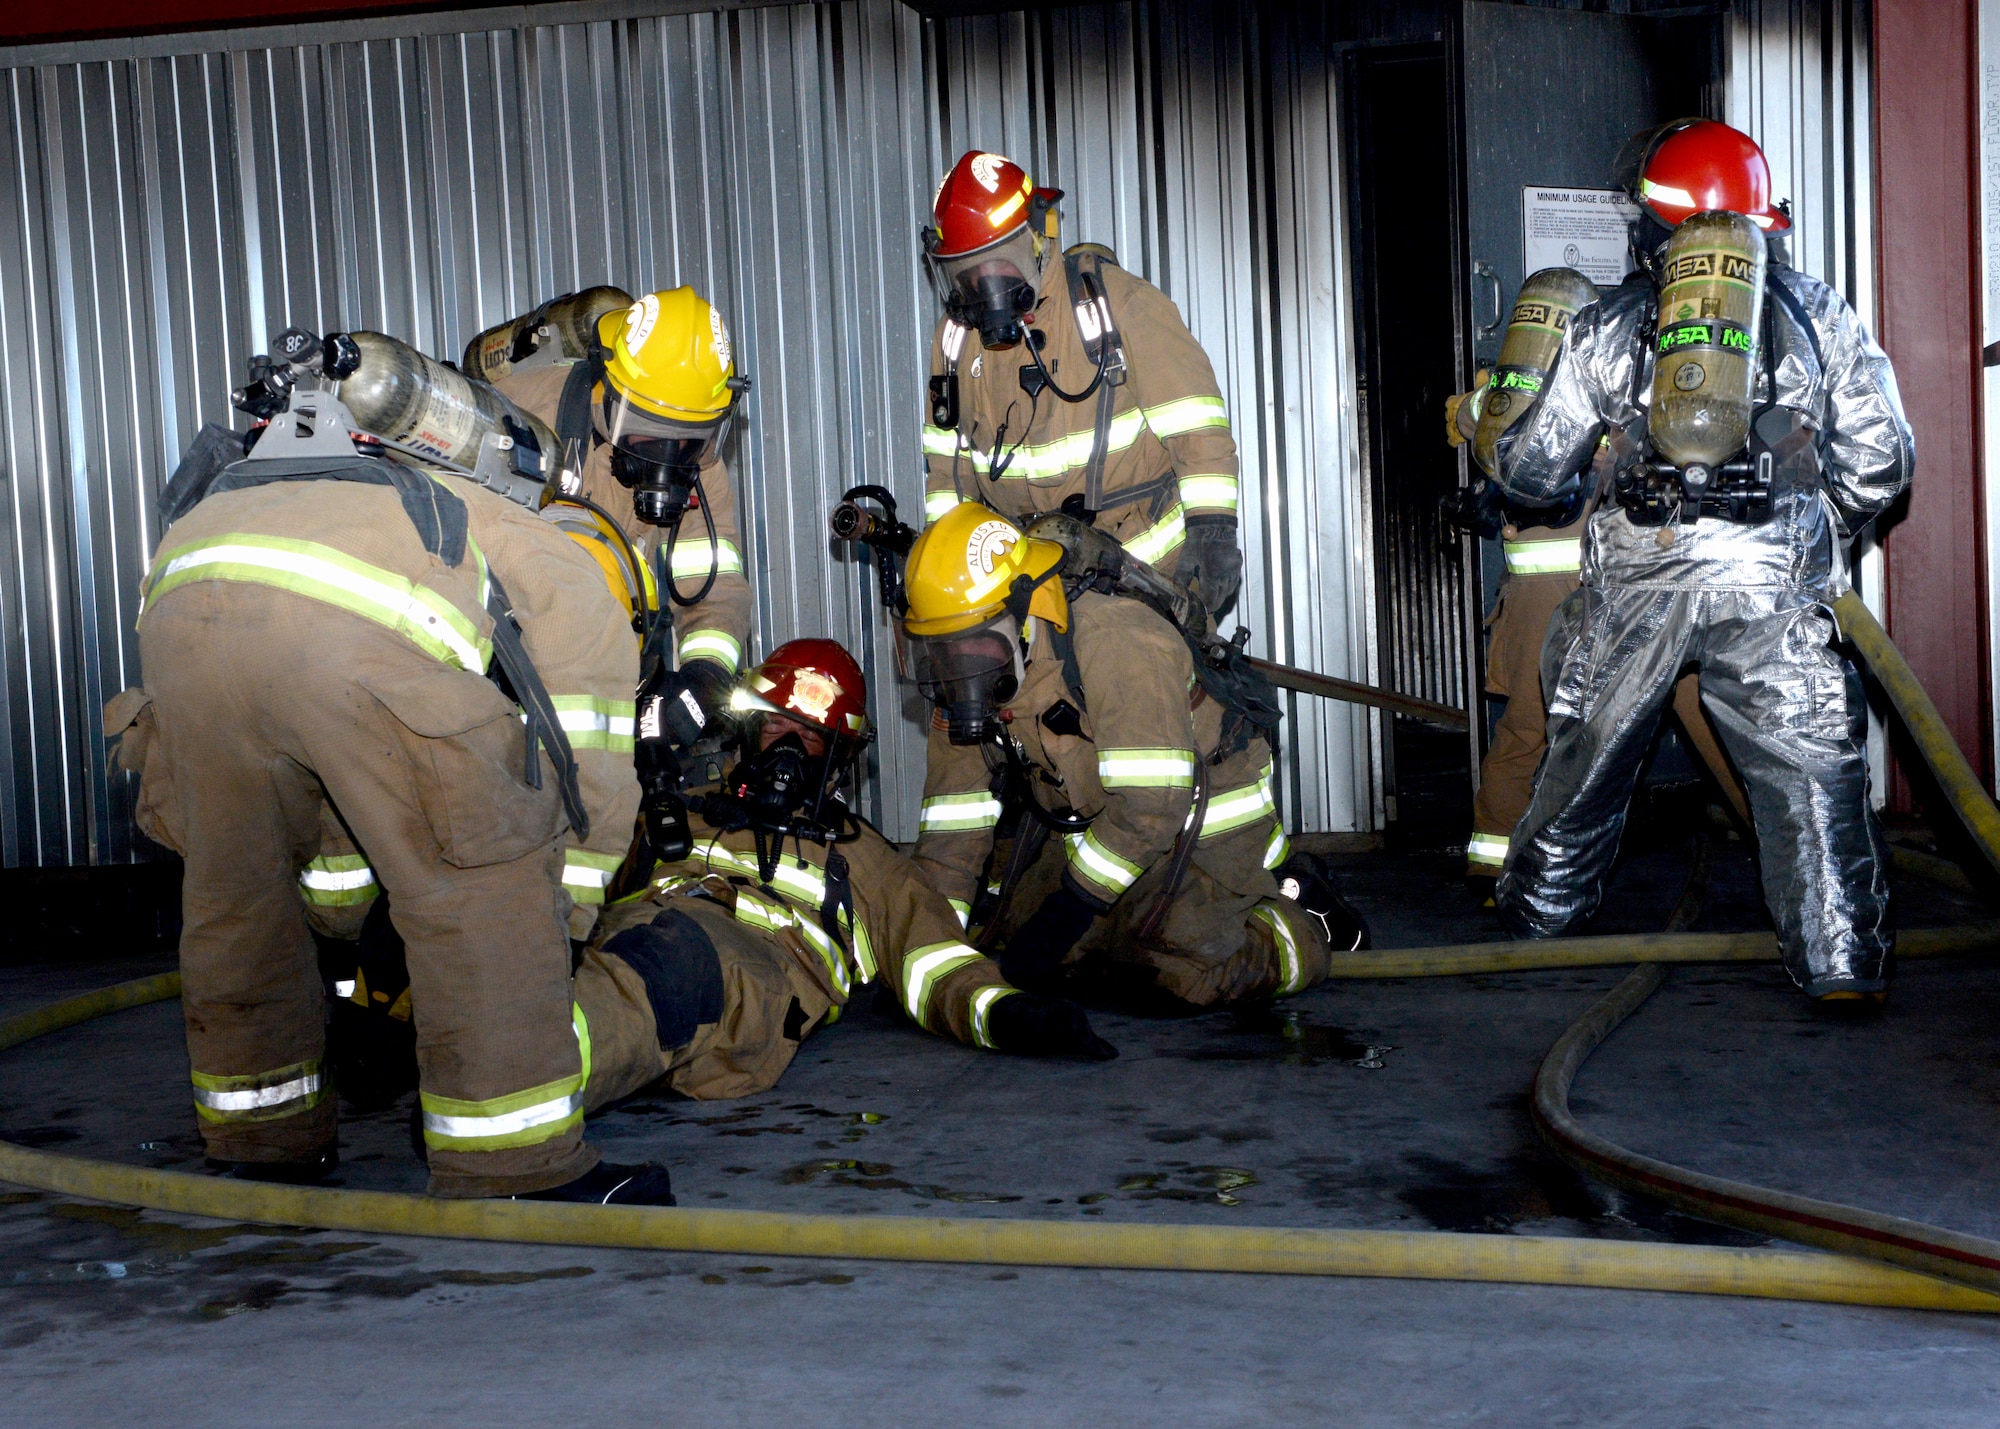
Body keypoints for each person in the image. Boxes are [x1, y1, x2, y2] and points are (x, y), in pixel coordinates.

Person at [104, 368, 672, 1203]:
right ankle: (515, 1166)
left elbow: (331, 776)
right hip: (336, 644)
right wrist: (569, 900)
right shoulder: (526, 529)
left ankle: (262, 1142)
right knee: (484, 879)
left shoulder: (314, 477)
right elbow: (585, 733)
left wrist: (347, 917)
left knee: (237, 896)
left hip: (183, 607)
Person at [1492, 118, 1914, 1001]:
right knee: (1809, 776)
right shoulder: (1817, 311)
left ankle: (1536, 925)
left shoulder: (1613, 324)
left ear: (1657, 223)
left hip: (1638, 574)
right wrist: (1805, 523)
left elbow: (1531, 470)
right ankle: (1840, 964)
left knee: (1584, 761)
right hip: (1772, 581)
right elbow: (1882, 462)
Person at [573, 639, 1115, 1108]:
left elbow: (935, 962)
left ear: (839, 758)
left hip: (743, 971)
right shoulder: (676, 808)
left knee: (660, 971)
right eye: (776, 727)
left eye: (808, 737)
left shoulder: (864, 857)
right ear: (747, 730)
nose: (786, 749)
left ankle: (531, 1087)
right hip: (632, 943)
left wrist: (1006, 1014)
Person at [901, 502, 1365, 1008]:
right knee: (1022, 945)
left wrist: (1070, 909)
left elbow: (1152, 803)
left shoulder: (1117, 639)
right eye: (943, 651)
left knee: (1178, 972)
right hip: (1108, 838)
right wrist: (932, 955)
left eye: (975, 647)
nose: (961, 670)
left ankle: (1297, 918)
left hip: (1206, 837)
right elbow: (952, 832)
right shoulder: (974, 679)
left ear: (1025, 610)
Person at [1445, 306, 1748, 887]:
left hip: (1616, 579)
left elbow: (1469, 419)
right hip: (1587, 582)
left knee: (1690, 699)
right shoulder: (1578, 384)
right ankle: (1491, 865)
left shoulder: (1541, 388)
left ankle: (1772, 832)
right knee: (1551, 718)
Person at [920, 150, 1244, 615]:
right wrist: (945, 569)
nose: (984, 289)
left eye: (998, 265)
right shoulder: (953, 342)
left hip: (1139, 580)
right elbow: (946, 471)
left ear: (1036, 238)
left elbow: (1198, 429)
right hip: (1025, 588)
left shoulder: (1120, 306)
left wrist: (1212, 531)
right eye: (966, 274)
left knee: (1127, 684)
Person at [494, 286, 754, 749]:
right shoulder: (521, 413)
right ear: (609, 394)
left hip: (607, 669)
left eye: (689, 438)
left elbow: (713, 589)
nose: (670, 458)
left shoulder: (701, 465)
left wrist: (704, 673)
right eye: (651, 436)